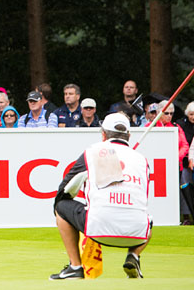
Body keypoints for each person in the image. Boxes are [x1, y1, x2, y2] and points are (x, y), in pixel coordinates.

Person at [50, 113, 151, 279]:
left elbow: (65, 189)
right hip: (137, 234)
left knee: (61, 206)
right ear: (129, 136)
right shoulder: (141, 159)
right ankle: (133, 256)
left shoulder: (93, 152)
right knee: (148, 218)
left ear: (103, 134)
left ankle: (75, 267)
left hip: (98, 228)